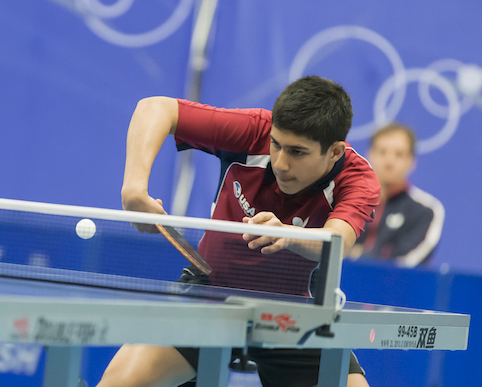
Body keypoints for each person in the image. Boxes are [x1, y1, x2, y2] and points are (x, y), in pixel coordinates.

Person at [102, 76, 380, 387]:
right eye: (276, 145)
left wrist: (287, 235)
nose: (281, 163)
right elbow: (154, 108)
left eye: (297, 152)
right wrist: (133, 190)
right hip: (211, 294)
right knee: (117, 384)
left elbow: (337, 242)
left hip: (298, 313)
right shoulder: (253, 130)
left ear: (334, 151)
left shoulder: (358, 179)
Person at [348, 123, 445, 267]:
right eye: (382, 152)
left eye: (399, 154)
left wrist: (359, 255)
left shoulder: (427, 210)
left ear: (411, 161)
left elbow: (406, 261)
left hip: (398, 287)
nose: (389, 161)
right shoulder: (348, 200)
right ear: (369, 155)